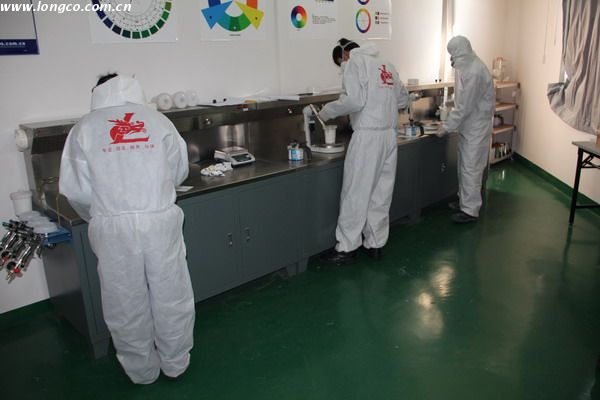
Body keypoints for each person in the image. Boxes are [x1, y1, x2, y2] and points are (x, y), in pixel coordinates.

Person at [59, 74, 195, 384]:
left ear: (97, 91)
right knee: (171, 292)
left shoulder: (84, 129)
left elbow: (77, 191)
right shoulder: (158, 121)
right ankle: (175, 362)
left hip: (113, 227)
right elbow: (178, 172)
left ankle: (141, 371)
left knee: (124, 300)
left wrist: (101, 216)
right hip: (159, 220)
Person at [316, 39, 409, 264]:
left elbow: (354, 101)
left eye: (340, 62)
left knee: (356, 192)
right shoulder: (387, 64)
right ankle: (375, 243)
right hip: (389, 135)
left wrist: (326, 112)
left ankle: (347, 248)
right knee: (381, 193)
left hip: (368, 136)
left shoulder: (355, 63)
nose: (342, 66)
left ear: (345, 54)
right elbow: (403, 99)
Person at [440, 36, 495, 223]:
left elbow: (465, 106)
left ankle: (470, 211)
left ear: (460, 54)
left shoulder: (475, 71)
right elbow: (461, 100)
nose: (452, 61)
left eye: (453, 56)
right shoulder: (467, 66)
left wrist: (447, 126)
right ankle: (464, 201)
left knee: (471, 167)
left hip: (476, 126)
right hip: (469, 125)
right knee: (464, 165)